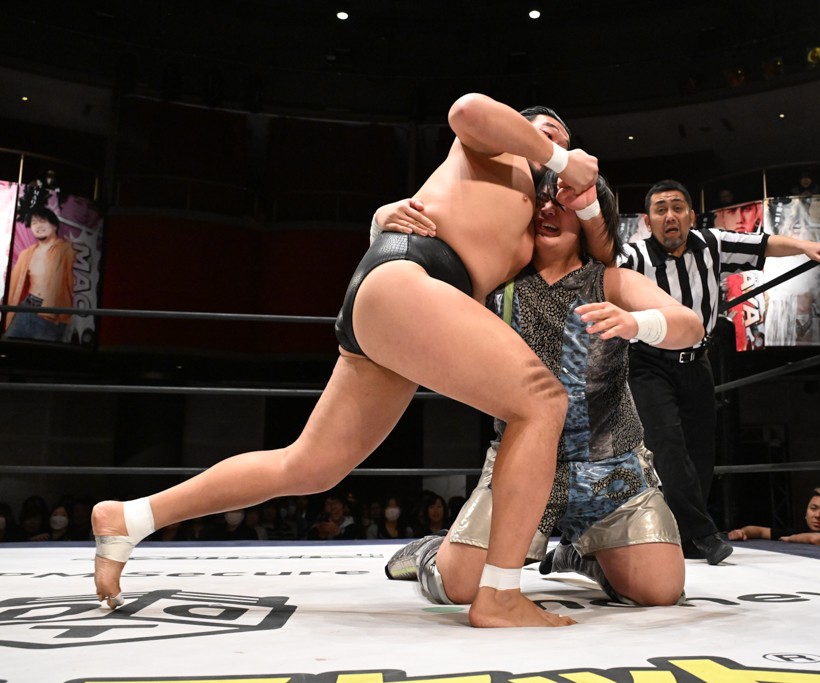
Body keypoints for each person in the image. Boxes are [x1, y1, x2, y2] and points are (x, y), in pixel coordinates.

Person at [90, 92, 600, 628]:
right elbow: (467, 111)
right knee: (543, 402)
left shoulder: (531, 215)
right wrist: (557, 156)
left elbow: (597, 254)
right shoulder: (500, 151)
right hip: (410, 280)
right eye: (546, 131)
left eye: (564, 140)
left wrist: (582, 197)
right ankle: (499, 595)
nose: (555, 143)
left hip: (412, 311)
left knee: (310, 465)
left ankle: (131, 517)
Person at [384, 170, 705, 607]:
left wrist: (636, 323)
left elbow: (690, 326)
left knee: (661, 591)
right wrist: (382, 224)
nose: (548, 209)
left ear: (589, 217)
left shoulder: (611, 281)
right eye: (541, 200)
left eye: (563, 202)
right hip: (522, 465)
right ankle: (430, 553)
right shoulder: (496, 282)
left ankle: (581, 556)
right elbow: (409, 287)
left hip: (611, 470)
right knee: (459, 587)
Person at [618, 180, 820, 565]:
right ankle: (702, 532)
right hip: (648, 363)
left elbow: (764, 244)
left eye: (677, 207)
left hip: (697, 362)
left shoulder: (711, 243)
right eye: (660, 209)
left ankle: (685, 536)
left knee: (701, 451)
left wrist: (805, 246)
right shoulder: (632, 256)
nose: (670, 216)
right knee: (667, 445)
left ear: (691, 216)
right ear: (648, 221)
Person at [3, 206, 75, 342]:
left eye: (42, 221)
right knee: (10, 345)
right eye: (34, 223)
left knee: (40, 352)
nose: (38, 226)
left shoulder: (67, 250)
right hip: (26, 308)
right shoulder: (26, 254)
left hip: (51, 314)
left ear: (54, 226)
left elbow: (76, 285)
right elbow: (13, 284)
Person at [728, 487, 820, 547]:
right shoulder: (797, 534)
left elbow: (816, 539)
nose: (817, 515)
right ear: (806, 513)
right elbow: (760, 531)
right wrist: (742, 532)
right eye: (813, 508)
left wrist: (790, 539)